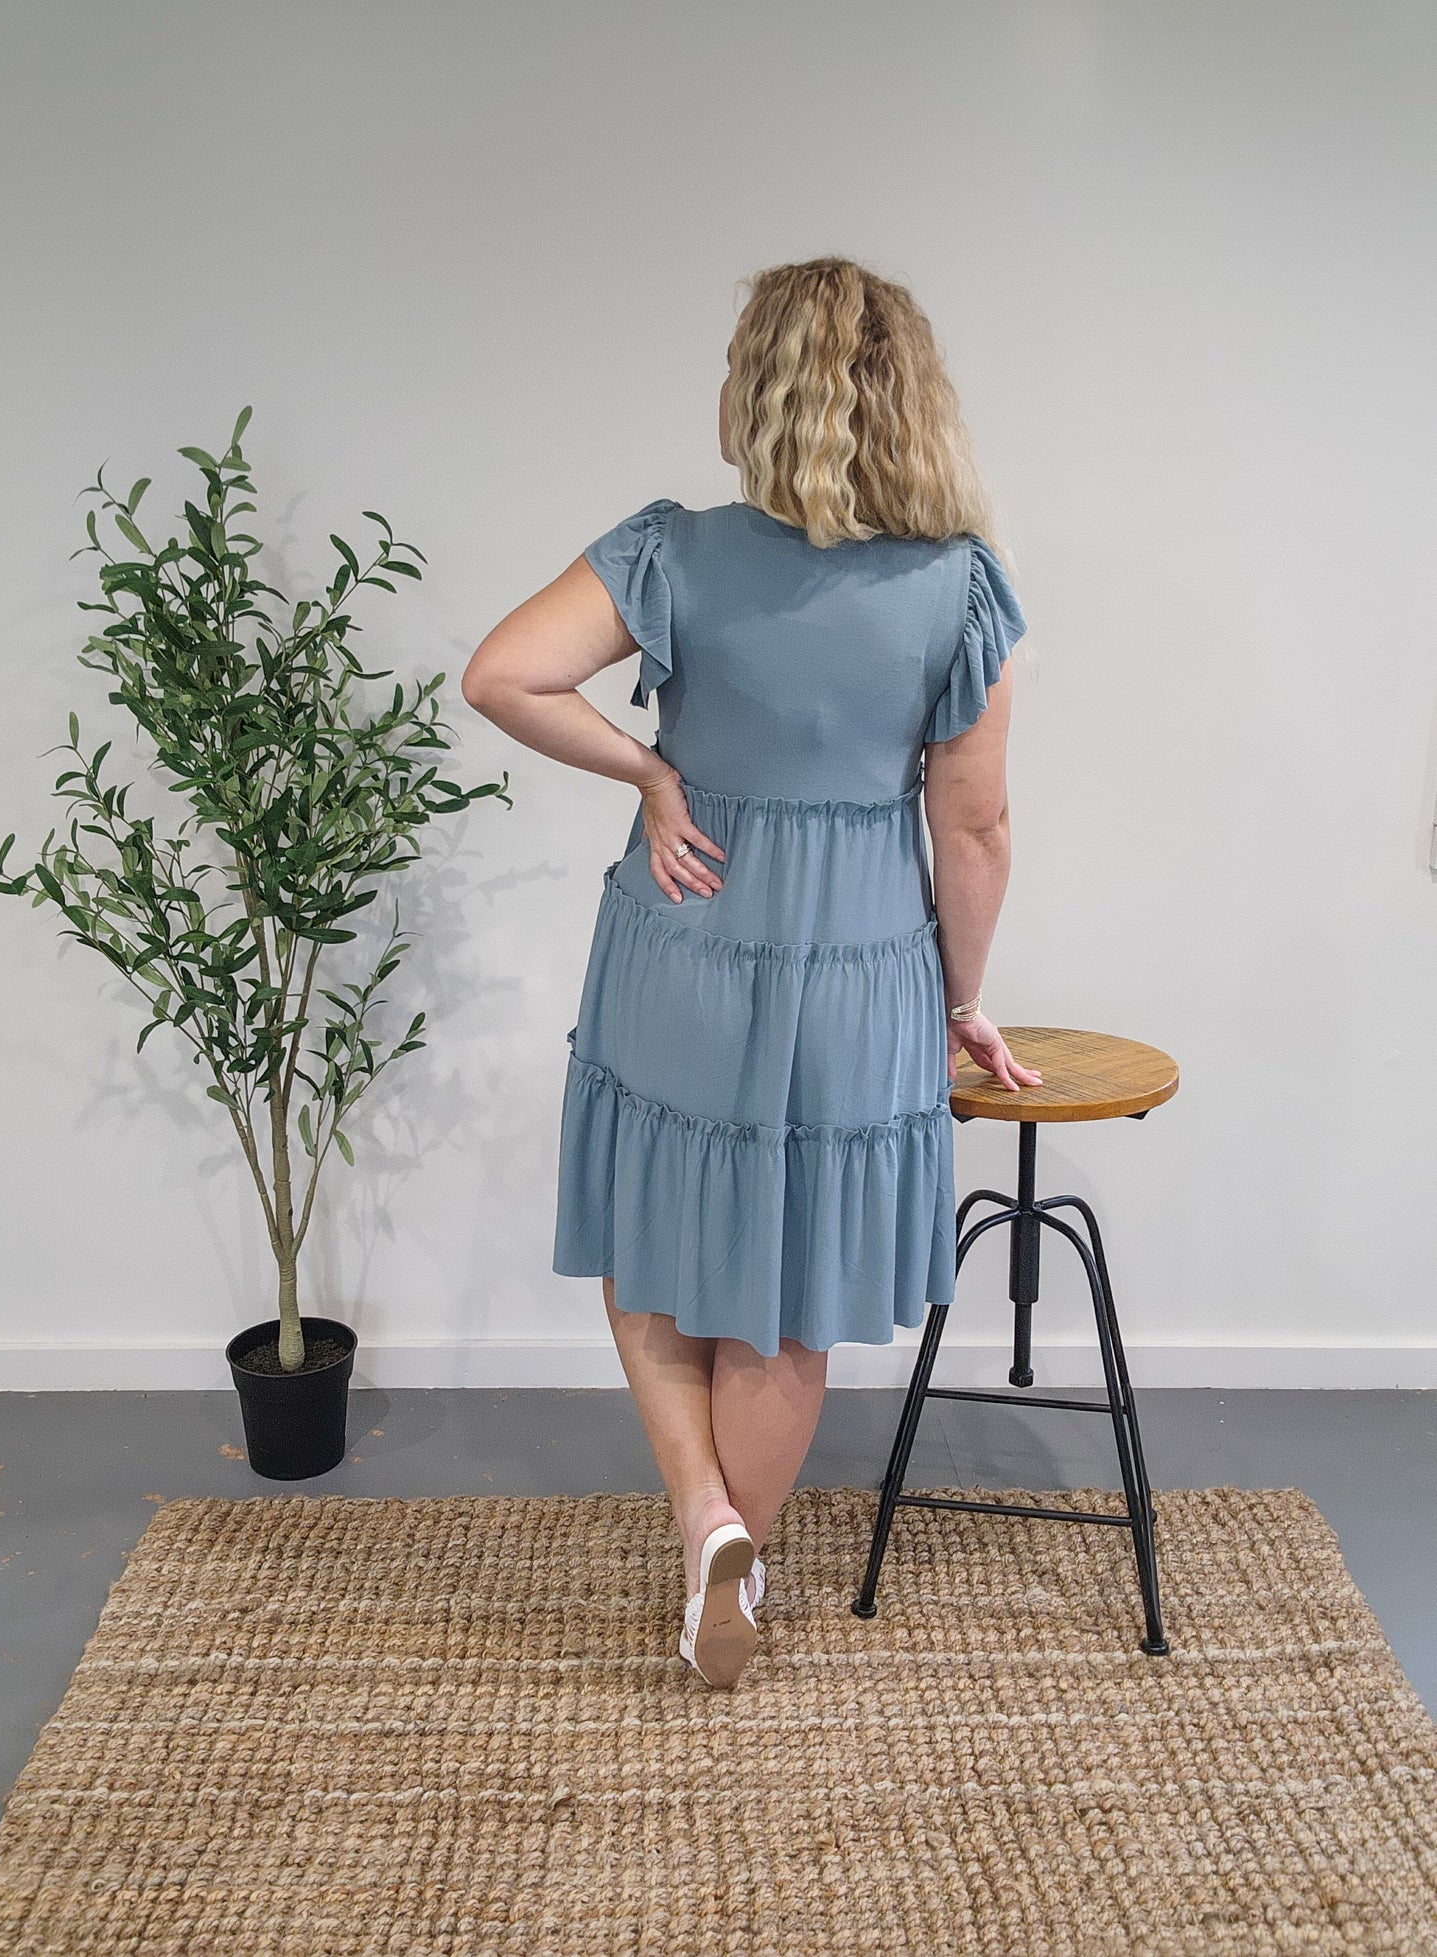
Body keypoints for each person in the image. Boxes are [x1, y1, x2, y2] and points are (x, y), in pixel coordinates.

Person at [461, 255, 1042, 1690]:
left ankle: (703, 1516)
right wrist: (961, 998)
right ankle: (739, 1557)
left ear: (759, 393)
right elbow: (971, 825)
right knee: (786, 1297)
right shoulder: (958, 587)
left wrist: (650, 767)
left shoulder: (674, 551)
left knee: (659, 1245)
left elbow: (501, 674)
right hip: (859, 970)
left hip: (688, 933)